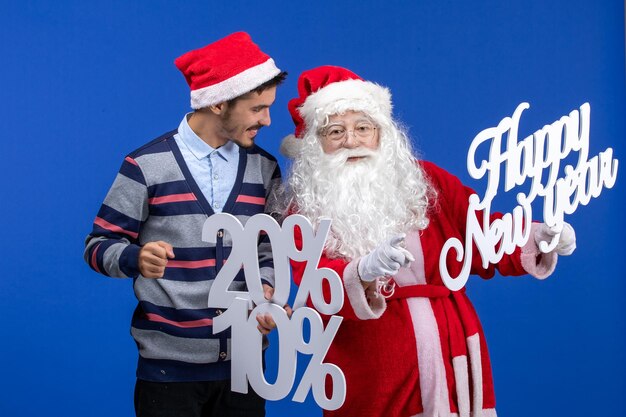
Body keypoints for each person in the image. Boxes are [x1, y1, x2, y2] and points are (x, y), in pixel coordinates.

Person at [280, 65, 576, 417]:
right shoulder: (305, 207)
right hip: (370, 362)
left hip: (451, 351)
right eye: (335, 131)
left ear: (382, 134)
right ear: (315, 144)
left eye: (363, 127)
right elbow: (313, 283)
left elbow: (481, 234)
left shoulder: (426, 181)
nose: (351, 141)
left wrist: (537, 236)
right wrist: (361, 272)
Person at [84, 32, 287, 417]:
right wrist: (135, 257)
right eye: (258, 108)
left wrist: (266, 288)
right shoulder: (146, 166)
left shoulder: (265, 168)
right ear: (219, 102)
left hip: (246, 368)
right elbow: (97, 246)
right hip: (168, 373)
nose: (267, 120)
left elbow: (268, 248)